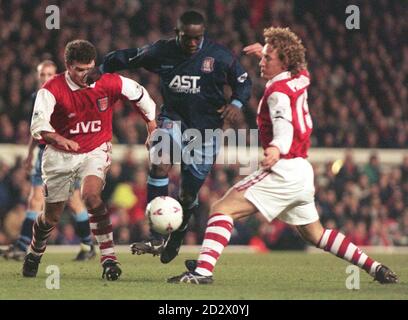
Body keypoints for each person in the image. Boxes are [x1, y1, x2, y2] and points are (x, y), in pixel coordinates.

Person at [167, 27, 398, 284]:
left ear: (284, 62)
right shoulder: (300, 78)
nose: (262, 62)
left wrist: (276, 148)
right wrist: (264, 51)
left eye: (268, 58)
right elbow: (300, 67)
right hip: (301, 171)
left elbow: (284, 123)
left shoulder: (277, 92)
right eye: (263, 57)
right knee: (315, 234)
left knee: (222, 209)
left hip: (284, 168)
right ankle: (375, 267)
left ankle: (202, 273)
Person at [87, 10, 251, 263]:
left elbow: (244, 81)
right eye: (188, 38)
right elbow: (128, 56)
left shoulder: (219, 56)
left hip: (206, 131)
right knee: (160, 161)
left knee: (187, 195)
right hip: (173, 119)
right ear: (178, 34)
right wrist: (101, 68)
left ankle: (178, 233)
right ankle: (155, 235)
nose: (193, 43)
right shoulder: (162, 51)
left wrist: (237, 104)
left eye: (198, 38)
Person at [22, 40, 157, 280]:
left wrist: (151, 125)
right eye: (79, 70)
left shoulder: (108, 81)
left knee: (91, 197)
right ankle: (35, 250)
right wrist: (57, 138)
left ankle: (109, 260)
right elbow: (38, 124)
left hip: (95, 149)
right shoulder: (51, 89)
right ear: (67, 66)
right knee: (50, 217)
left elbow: (139, 94)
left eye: (89, 68)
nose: (86, 74)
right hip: (59, 155)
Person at [1, 60, 96, 262]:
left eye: (49, 74)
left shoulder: (67, 94)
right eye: (42, 75)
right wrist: (29, 154)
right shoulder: (38, 97)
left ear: (57, 75)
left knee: (73, 201)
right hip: (44, 155)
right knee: (34, 199)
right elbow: (36, 130)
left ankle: (88, 244)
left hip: (64, 156)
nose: (46, 78)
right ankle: (21, 246)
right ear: (38, 77)